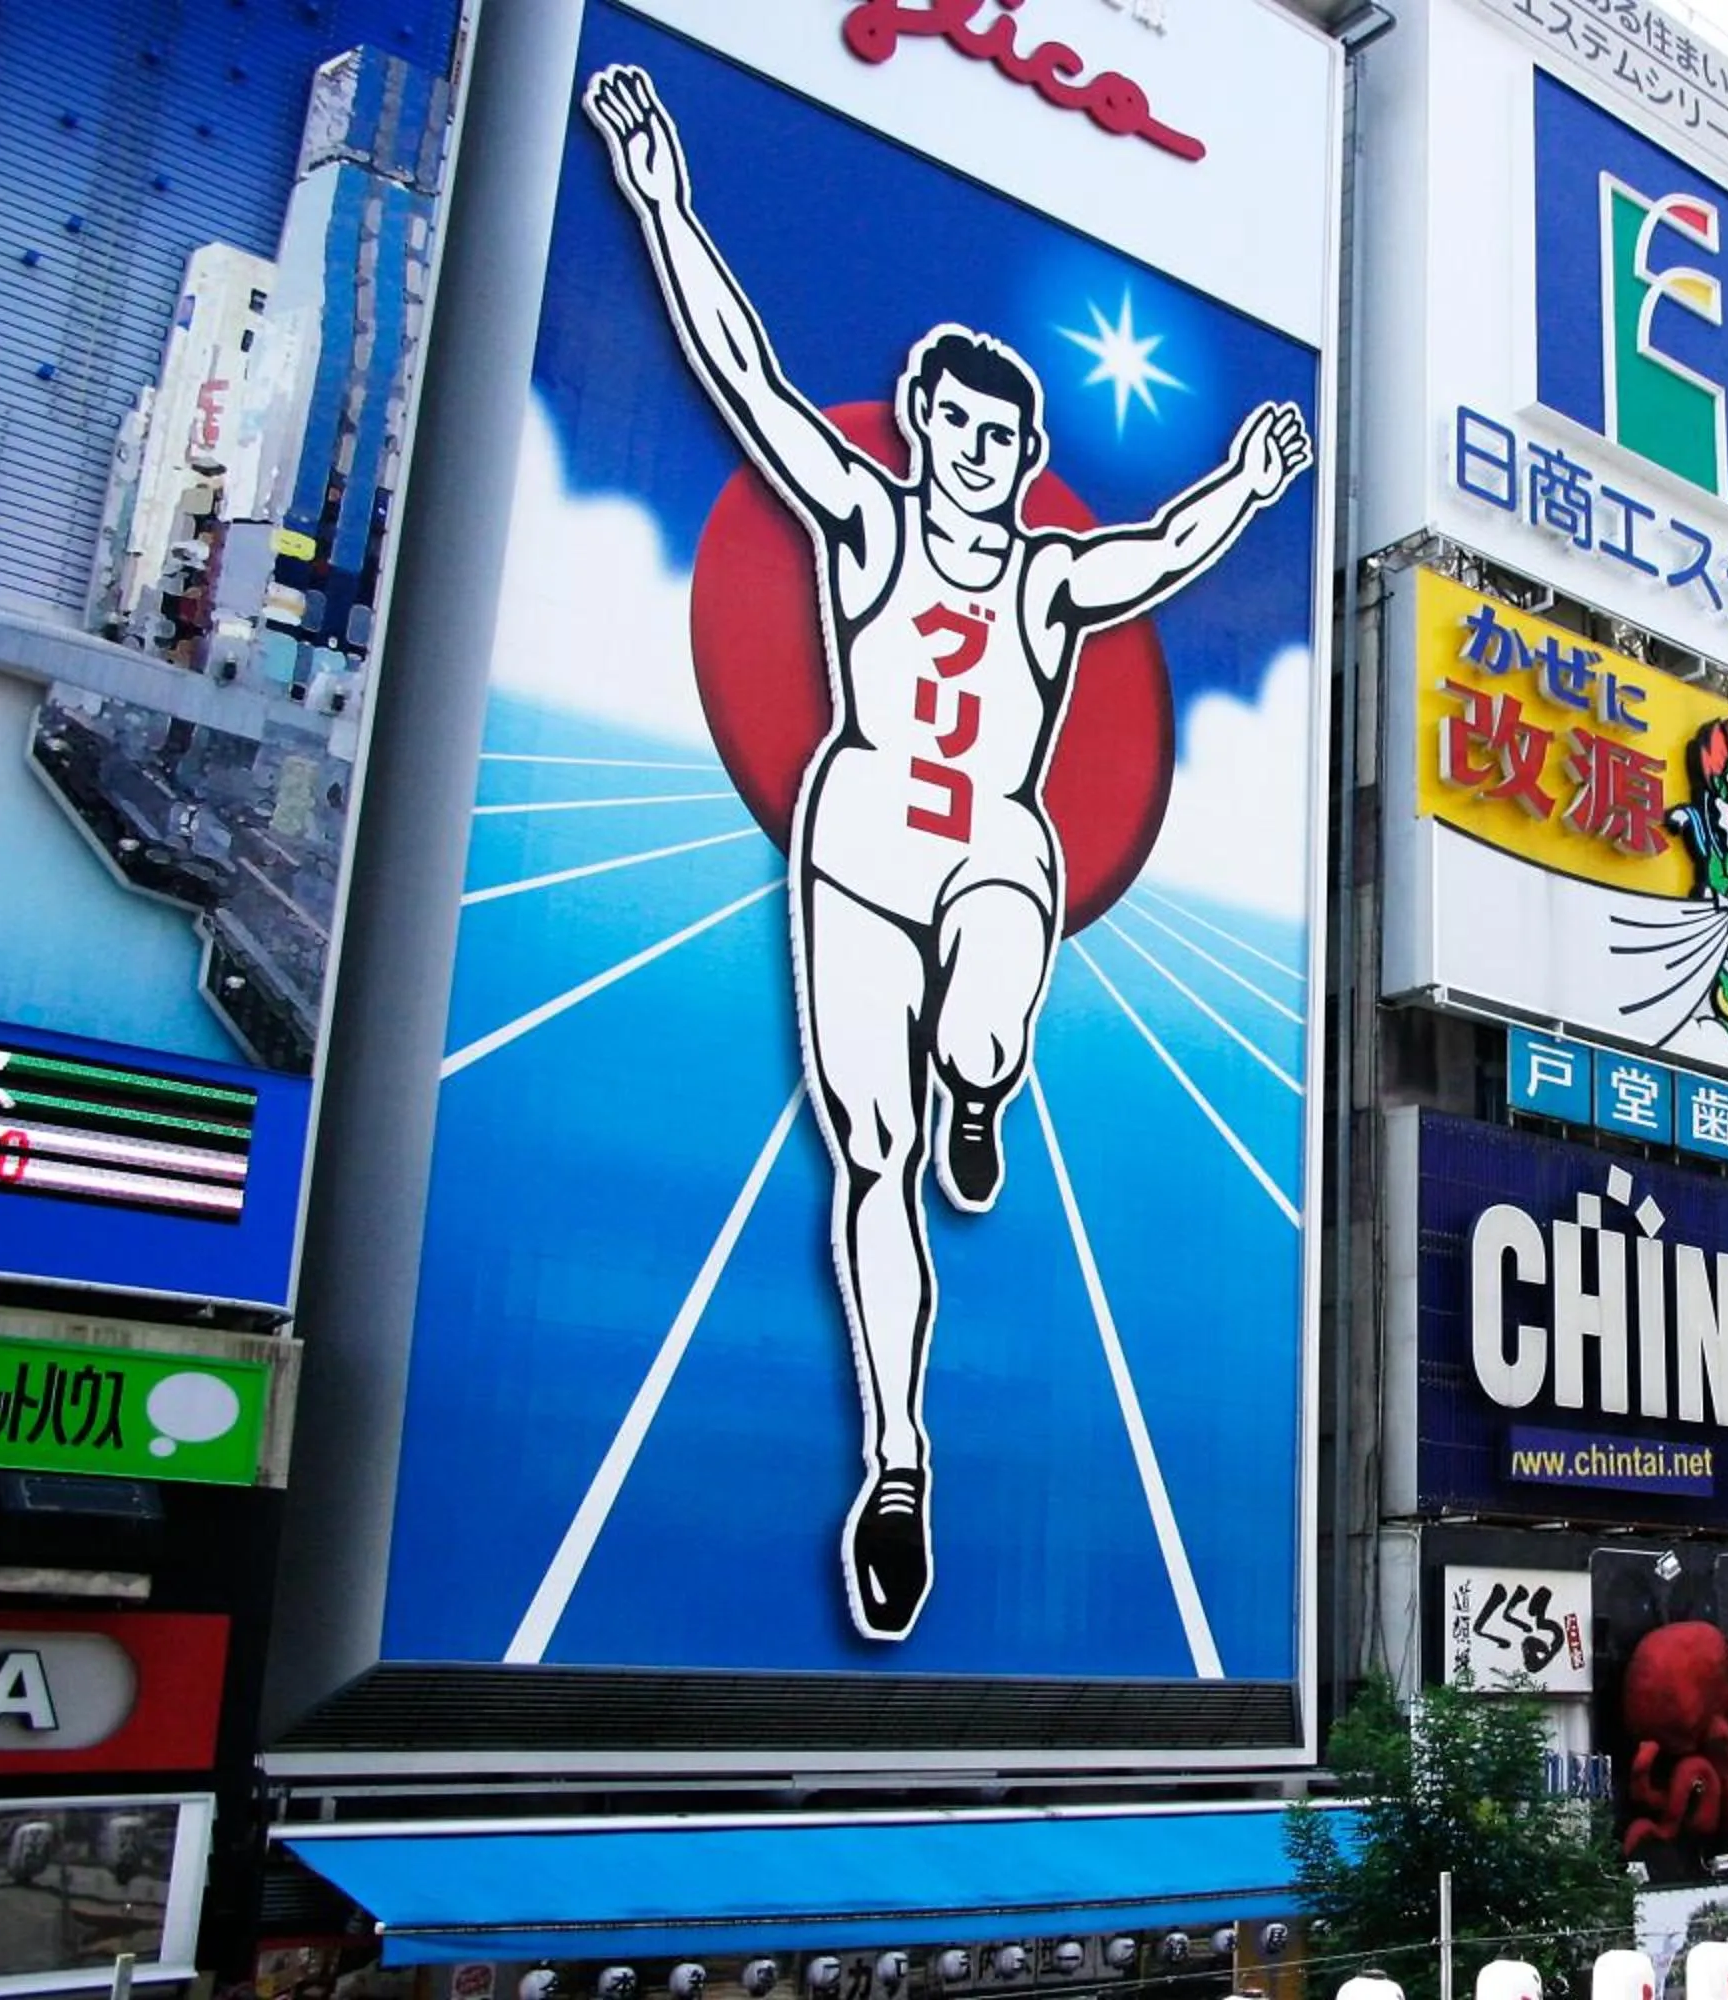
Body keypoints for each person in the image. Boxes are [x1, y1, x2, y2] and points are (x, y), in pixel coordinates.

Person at [584, 64, 1311, 1640]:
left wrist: (1249, 488)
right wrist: (660, 200)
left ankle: (984, 1083)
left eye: (1003, 435)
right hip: (856, 843)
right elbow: (745, 377)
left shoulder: (1044, 580)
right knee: (870, 1153)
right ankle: (899, 1463)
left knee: (977, 1030)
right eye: (959, 424)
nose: (978, 450)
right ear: (923, 426)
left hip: (991, 847)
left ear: (1027, 452)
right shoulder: (863, 520)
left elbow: (1156, 553)